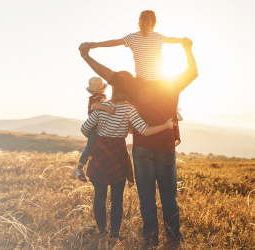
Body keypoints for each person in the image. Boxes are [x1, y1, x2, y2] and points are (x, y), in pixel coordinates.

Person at [78, 37, 198, 248]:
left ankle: (150, 239)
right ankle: (173, 239)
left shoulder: (134, 84)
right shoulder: (172, 83)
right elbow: (192, 72)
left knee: (147, 198)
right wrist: (187, 49)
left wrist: (87, 55)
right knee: (169, 198)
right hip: (166, 147)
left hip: (142, 149)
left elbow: (109, 75)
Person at [81, 85, 174, 248]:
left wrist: (98, 139)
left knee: (99, 196)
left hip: (99, 152)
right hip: (118, 153)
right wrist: (166, 126)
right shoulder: (129, 108)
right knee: (117, 199)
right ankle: (114, 237)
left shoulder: (103, 105)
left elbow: (84, 128)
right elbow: (144, 131)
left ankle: (102, 234)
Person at [87, 10, 183, 81]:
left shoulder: (132, 37)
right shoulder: (158, 36)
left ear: (139, 23)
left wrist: (94, 44)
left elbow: (115, 42)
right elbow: (172, 39)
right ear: (154, 23)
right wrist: (183, 40)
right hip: (162, 80)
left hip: (142, 82)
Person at [72, 76, 117, 182]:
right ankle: (79, 168)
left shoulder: (100, 97)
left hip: (98, 125)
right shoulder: (96, 99)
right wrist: (106, 108)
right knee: (90, 148)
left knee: (94, 147)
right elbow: (95, 106)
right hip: (95, 126)